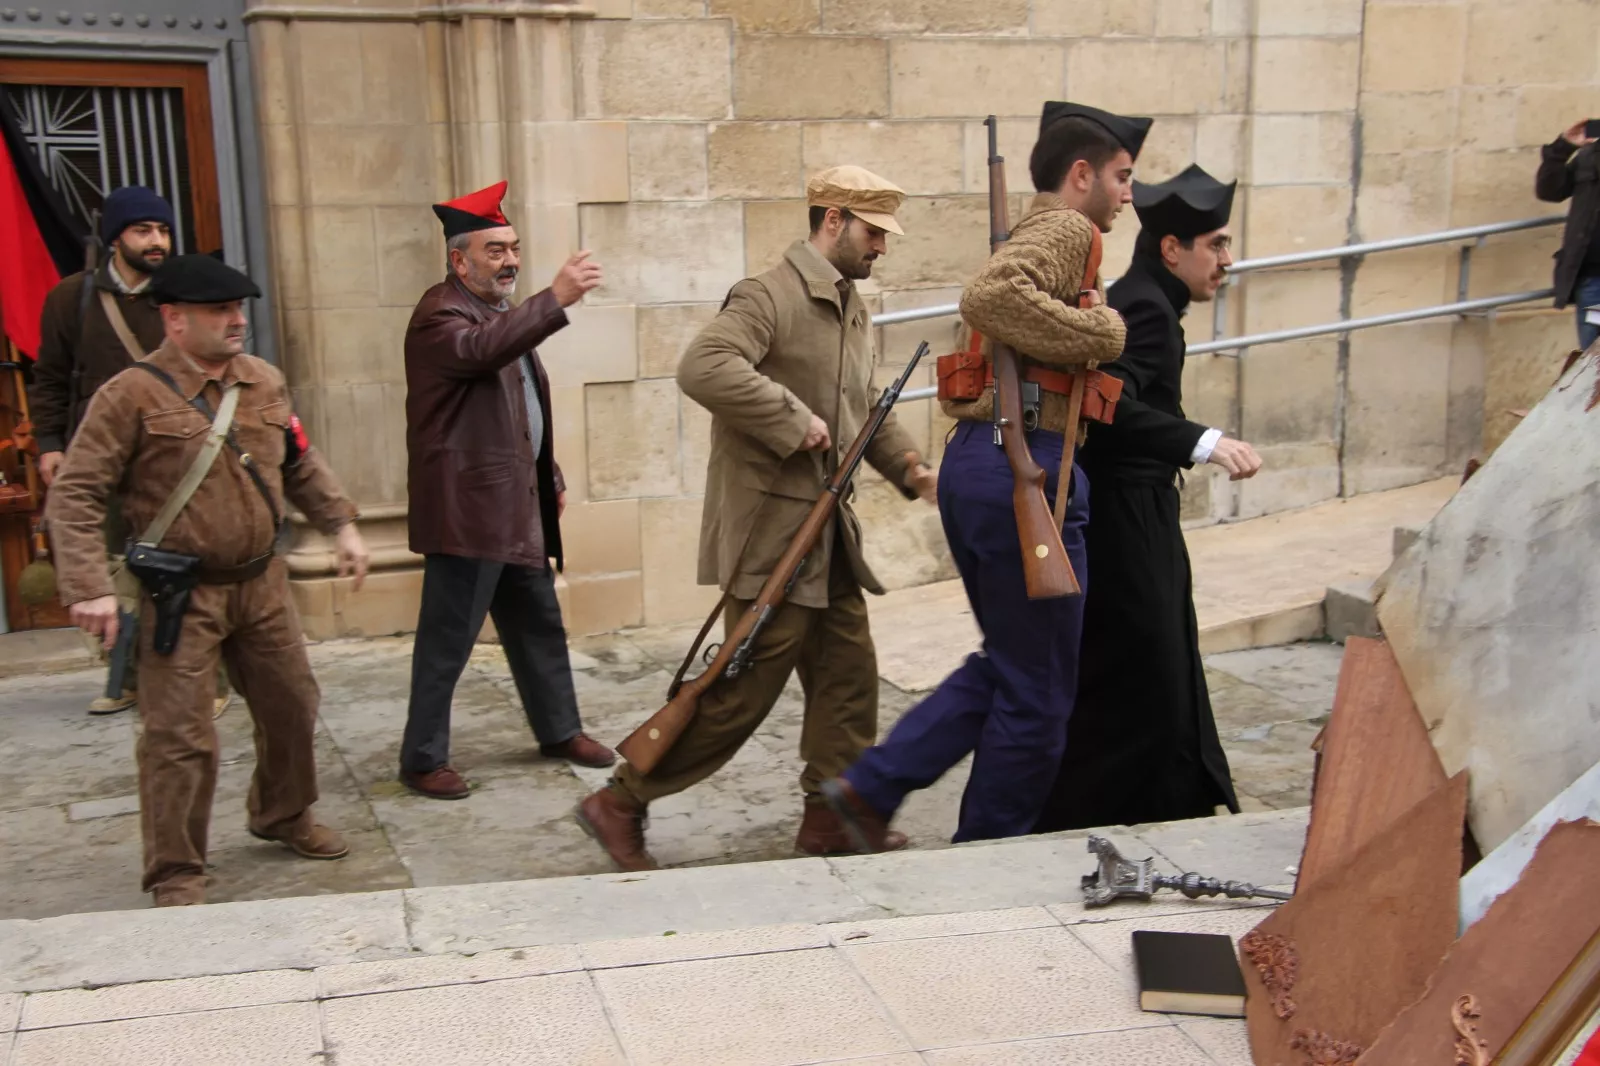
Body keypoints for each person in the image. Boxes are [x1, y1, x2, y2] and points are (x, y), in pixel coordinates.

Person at [576, 165, 939, 871]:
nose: (881, 247)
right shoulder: (766, 295)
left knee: (848, 678)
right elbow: (702, 366)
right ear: (832, 221)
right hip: (774, 537)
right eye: (872, 233)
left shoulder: (851, 306)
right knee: (739, 693)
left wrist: (911, 467)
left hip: (829, 538)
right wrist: (790, 419)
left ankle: (831, 818)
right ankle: (620, 801)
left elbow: (864, 408)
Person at [819, 102, 1143, 850]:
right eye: (1122, 177)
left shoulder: (1041, 230)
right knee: (1039, 698)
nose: (1128, 194)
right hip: (1022, 466)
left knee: (1015, 667)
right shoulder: (1068, 229)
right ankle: (985, 858)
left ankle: (872, 788)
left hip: (990, 462)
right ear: (1082, 174)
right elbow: (991, 297)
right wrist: (1105, 331)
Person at [46, 253, 370, 907]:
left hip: (262, 582)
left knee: (292, 704)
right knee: (178, 735)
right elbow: (75, 492)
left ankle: (283, 813)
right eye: (218, 311)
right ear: (173, 319)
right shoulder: (130, 395)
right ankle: (175, 869)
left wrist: (341, 524)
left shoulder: (263, 381)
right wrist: (89, 585)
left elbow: (299, 462)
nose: (235, 321)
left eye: (237, 309)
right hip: (180, 593)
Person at [1035, 163, 1261, 834]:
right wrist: (1202, 441)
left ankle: (1167, 804)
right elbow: (1110, 408)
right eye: (1216, 245)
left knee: (1155, 665)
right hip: (1125, 517)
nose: (1226, 259)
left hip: (1140, 511)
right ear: (1171, 248)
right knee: (1144, 670)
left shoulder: (1150, 302)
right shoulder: (1143, 308)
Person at [400, 180, 616, 801]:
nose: (510, 261)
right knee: (447, 641)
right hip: (468, 511)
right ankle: (421, 759)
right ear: (458, 260)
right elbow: (481, 353)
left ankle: (559, 730)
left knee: (538, 622)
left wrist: (549, 476)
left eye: (514, 248)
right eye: (494, 251)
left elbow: (520, 408)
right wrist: (556, 298)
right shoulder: (441, 315)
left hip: (515, 503)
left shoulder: (499, 313)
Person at [29, 186, 231, 718]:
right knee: (118, 571)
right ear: (116, 237)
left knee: (189, 566)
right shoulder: (71, 298)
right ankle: (126, 677)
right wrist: (50, 445)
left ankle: (208, 679)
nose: (157, 240)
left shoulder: (183, 294)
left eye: (163, 230)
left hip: (177, 455)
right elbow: (50, 378)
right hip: (102, 456)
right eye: (144, 231)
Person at [1536, 119, 1600, 349]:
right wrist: (1563, 147)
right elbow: (1550, 191)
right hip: (1593, 282)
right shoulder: (1590, 155)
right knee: (1593, 361)